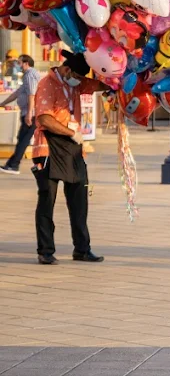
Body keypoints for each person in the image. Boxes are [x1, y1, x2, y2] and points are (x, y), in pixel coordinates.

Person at [30, 51, 105, 265]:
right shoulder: (47, 83)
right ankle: (45, 250)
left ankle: (82, 248)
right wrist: (71, 132)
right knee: (47, 199)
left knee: (79, 200)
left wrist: (115, 78)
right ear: (66, 70)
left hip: (73, 149)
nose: (80, 81)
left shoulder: (77, 84)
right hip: (49, 146)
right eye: (77, 76)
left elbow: (100, 86)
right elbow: (44, 117)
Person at [1, 54, 39, 174]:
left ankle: (14, 165)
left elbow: (32, 94)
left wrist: (29, 113)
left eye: (19, 62)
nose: (18, 65)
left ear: (26, 63)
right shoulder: (27, 76)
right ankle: (11, 164)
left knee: (23, 139)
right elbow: (17, 93)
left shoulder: (30, 75)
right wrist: (3, 103)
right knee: (22, 139)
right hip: (28, 112)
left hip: (31, 114)